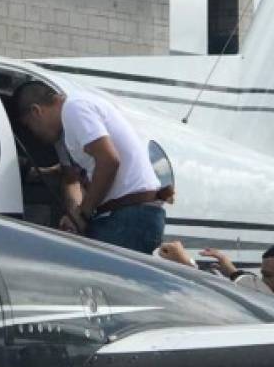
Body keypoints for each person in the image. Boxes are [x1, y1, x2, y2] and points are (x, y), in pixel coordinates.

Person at [13, 81, 169, 254]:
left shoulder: (74, 108)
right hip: (128, 214)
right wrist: (74, 216)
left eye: (30, 126)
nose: (34, 134)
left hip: (129, 216)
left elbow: (108, 160)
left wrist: (83, 214)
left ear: (36, 111)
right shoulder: (67, 128)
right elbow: (72, 176)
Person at [157, 242, 274, 319]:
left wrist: (189, 266)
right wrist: (232, 272)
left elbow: (258, 306)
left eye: (268, 276)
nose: (262, 282)